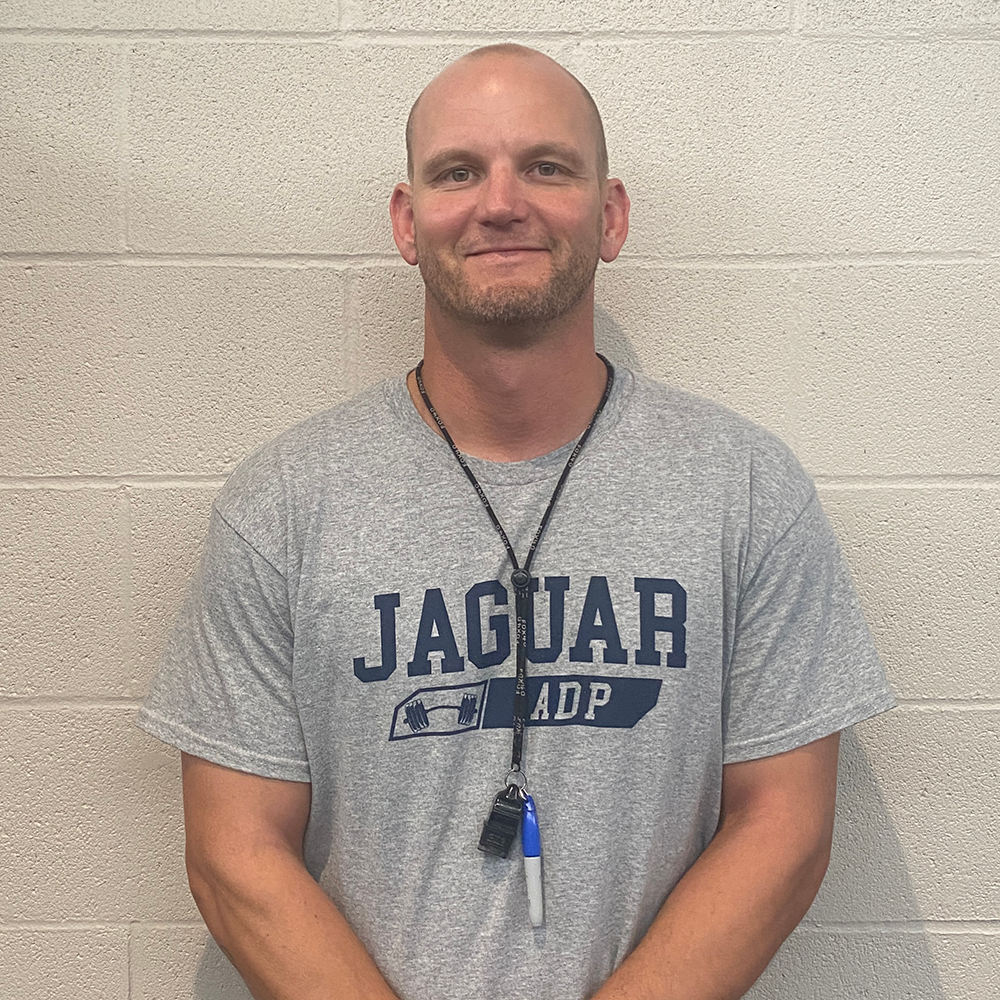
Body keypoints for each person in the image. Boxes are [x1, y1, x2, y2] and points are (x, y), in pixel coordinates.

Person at [138, 43, 895, 1000]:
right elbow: (234, 852)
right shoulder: (283, 506)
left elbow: (783, 828)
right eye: (459, 172)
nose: (502, 202)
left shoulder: (743, 490)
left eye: (546, 166)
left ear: (609, 215)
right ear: (408, 224)